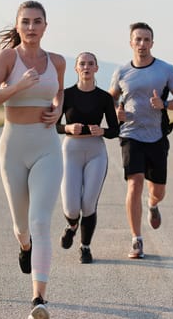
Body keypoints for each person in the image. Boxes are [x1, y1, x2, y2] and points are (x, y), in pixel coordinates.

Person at [0, 0, 65, 319]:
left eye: (37, 21)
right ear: (18, 26)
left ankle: (38, 299)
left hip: (47, 146)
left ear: (46, 26)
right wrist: (18, 86)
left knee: (41, 221)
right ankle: (25, 246)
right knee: (21, 226)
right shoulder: (6, 58)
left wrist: (58, 108)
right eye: (25, 22)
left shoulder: (57, 61)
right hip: (13, 145)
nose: (31, 27)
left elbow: (59, 94)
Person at [108, 22, 173, 259]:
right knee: (134, 184)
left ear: (152, 43)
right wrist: (116, 113)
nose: (142, 44)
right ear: (130, 42)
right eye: (138, 39)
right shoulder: (121, 72)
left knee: (158, 190)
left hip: (157, 136)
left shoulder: (166, 70)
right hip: (130, 134)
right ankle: (136, 239)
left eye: (146, 40)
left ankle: (153, 205)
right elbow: (109, 100)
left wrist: (164, 104)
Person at [56, 52, 119, 264]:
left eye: (90, 64)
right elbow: (54, 126)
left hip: (96, 153)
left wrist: (102, 131)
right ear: (76, 68)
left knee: (89, 205)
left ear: (96, 68)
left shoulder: (104, 98)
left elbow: (115, 130)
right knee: (71, 207)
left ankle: (85, 247)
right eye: (82, 64)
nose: (86, 67)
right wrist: (67, 127)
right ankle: (72, 225)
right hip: (70, 151)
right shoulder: (66, 95)